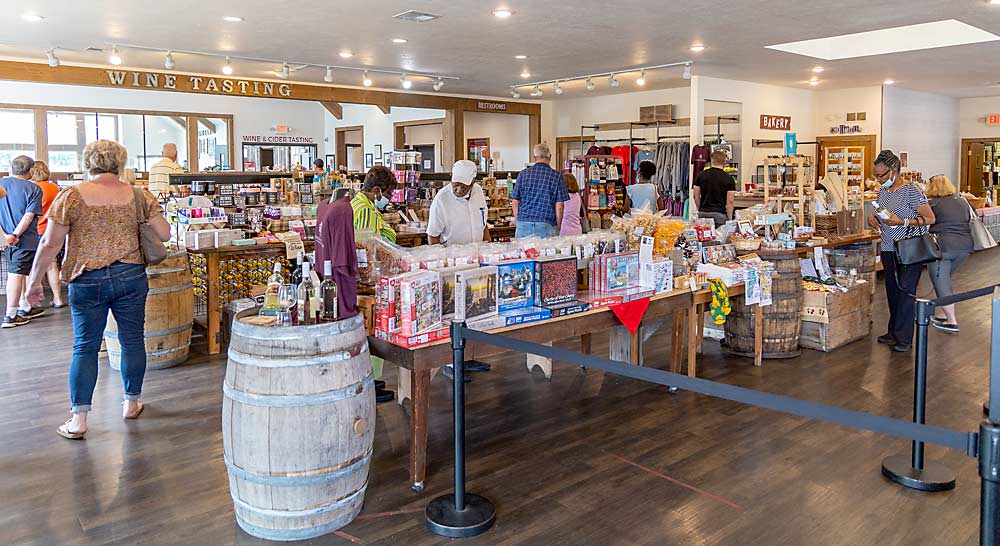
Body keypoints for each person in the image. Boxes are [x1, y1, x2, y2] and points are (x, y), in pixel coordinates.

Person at [25, 140, 171, 439]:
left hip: (85, 278)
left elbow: (50, 243)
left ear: (88, 163)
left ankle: (78, 420)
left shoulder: (71, 196)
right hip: (130, 275)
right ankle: (131, 402)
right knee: (132, 340)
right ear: (120, 162)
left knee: (85, 346)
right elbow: (165, 233)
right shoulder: (139, 195)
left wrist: (33, 281)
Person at [866, 150, 935, 353]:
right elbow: (882, 212)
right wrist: (874, 219)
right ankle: (893, 331)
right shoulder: (883, 192)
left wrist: (902, 221)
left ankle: (904, 336)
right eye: (876, 176)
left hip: (909, 248)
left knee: (906, 292)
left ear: (894, 170)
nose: (879, 180)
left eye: (882, 175)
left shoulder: (911, 191)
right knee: (892, 290)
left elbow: (930, 219)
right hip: (888, 246)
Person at [924, 175, 972, 334]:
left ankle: (952, 322)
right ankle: (942, 314)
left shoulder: (932, 204)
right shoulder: (962, 201)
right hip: (965, 248)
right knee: (944, 280)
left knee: (941, 283)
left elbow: (925, 225)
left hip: (941, 249)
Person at [0, 155, 45, 328]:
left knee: (21, 272)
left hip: (5, 239)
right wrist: (16, 235)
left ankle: (24, 307)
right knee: (16, 275)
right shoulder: (33, 189)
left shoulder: (2, 184)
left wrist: (5, 235)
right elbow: (29, 216)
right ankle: (10, 315)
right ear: (31, 171)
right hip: (24, 240)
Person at [511, 143, 569, 238]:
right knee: (547, 253)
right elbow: (559, 207)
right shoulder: (557, 176)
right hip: (546, 224)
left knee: (523, 253)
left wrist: (519, 221)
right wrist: (558, 226)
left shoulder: (523, 174)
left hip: (524, 224)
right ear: (550, 157)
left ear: (534, 157)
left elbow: (515, 202)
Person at [29, 161, 65, 308]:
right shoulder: (54, 188)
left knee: (32, 266)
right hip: (51, 230)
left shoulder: (33, 188)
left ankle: (28, 303)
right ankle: (58, 299)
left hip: (35, 231)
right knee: (52, 265)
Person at [428, 160, 489, 245]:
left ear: (473, 182)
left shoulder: (478, 191)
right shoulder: (441, 199)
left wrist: (488, 247)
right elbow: (433, 235)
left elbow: (483, 225)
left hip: (477, 253)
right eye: (456, 185)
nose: (459, 190)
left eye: (464, 186)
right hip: (451, 255)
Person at [351, 166, 397, 243]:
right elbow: (367, 246)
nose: (390, 198)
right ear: (376, 190)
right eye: (389, 193)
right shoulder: (366, 210)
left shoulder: (358, 202)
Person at [692, 150, 736, 228]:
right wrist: (729, 218)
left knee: (703, 237)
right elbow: (730, 201)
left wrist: (701, 209)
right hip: (720, 215)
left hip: (703, 214)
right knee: (719, 238)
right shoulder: (729, 178)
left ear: (711, 160)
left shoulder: (701, 175)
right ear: (724, 162)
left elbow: (695, 196)